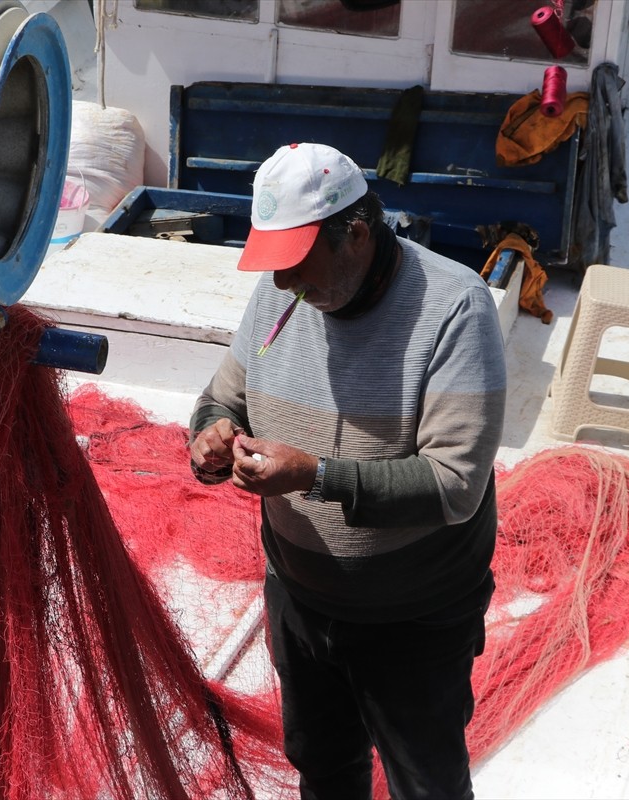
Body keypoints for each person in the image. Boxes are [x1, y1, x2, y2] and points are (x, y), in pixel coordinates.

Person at [188, 142, 507, 800]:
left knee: (426, 783)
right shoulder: (280, 295)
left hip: (414, 622)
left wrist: (315, 476)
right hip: (301, 603)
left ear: (356, 235)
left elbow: (454, 486)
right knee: (322, 765)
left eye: (296, 264)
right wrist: (209, 440)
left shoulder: (455, 308)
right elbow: (222, 398)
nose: (282, 283)